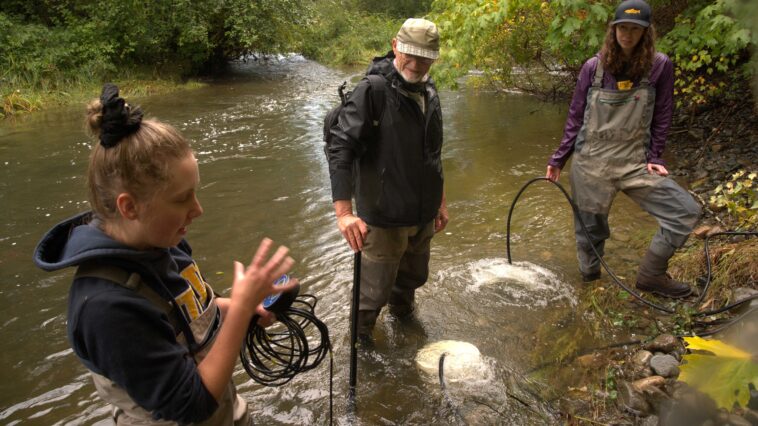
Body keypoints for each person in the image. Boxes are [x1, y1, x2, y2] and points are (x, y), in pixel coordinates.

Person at [33, 84, 297, 425]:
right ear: (129, 207)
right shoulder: (105, 308)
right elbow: (190, 405)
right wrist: (241, 308)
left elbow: (193, 311)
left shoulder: (163, 239)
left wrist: (246, 308)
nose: (198, 209)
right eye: (181, 198)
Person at [545, 0, 701, 298]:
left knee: (685, 212)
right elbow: (575, 116)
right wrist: (559, 158)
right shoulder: (593, 67)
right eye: (621, 28)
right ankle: (591, 288)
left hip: (634, 162)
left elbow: (663, 113)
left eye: (634, 29)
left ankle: (650, 276)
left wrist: (655, 156)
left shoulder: (660, 66)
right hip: (590, 162)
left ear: (646, 33)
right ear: (613, 29)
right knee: (590, 234)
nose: (627, 35)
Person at [327, 18, 449, 339]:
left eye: (424, 57)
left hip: (421, 214)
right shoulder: (372, 90)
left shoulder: (430, 90)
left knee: (410, 282)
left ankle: (405, 328)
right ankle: (362, 348)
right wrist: (344, 213)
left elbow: (434, 152)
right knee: (371, 295)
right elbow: (341, 148)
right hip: (382, 219)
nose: (415, 63)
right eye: (409, 54)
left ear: (434, 58)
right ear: (395, 45)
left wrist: (440, 202)